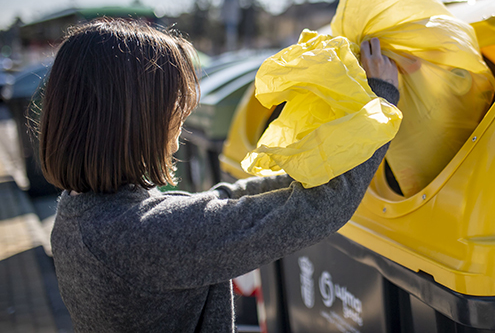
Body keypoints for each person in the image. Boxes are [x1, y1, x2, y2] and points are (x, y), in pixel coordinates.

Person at [39, 18, 399, 332]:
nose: (181, 122)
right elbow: (320, 209)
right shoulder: (145, 238)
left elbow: (220, 203)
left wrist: (300, 174)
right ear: (133, 120)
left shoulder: (78, 216)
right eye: (174, 107)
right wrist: (382, 98)